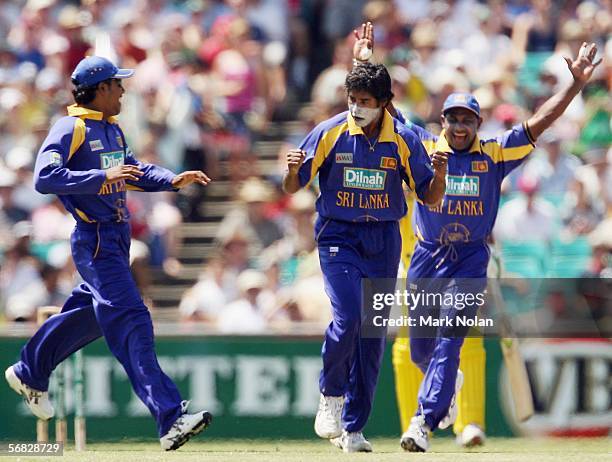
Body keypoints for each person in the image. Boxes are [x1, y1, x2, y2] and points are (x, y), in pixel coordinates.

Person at [353, 23, 602, 452]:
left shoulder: (495, 153)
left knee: (452, 334)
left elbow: (539, 124)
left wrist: (575, 86)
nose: (460, 127)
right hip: (426, 258)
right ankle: (446, 386)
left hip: (470, 258)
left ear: (478, 123)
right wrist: (365, 64)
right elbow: (387, 111)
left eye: (468, 120)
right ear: (444, 121)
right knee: (420, 352)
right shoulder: (425, 146)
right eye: (453, 119)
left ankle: (422, 422)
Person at [4, 56, 213, 451]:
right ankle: (170, 418)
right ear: (100, 89)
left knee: (93, 316)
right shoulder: (71, 127)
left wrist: (171, 179)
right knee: (132, 319)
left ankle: (31, 370)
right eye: (117, 84)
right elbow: (44, 178)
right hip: (95, 239)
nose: (123, 90)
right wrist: (101, 177)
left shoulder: (110, 129)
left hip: (114, 239)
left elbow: (131, 170)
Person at [283, 61, 447, 452]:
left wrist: (439, 175)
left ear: (386, 102)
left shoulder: (403, 139)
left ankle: (353, 429)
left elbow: (429, 195)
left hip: (384, 239)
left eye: (366, 101)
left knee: (371, 335)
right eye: (352, 100)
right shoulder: (330, 131)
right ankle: (331, 395)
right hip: (339, 235)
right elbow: (294, 186)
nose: (357, 108)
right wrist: (291, 173)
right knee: (349, 316)